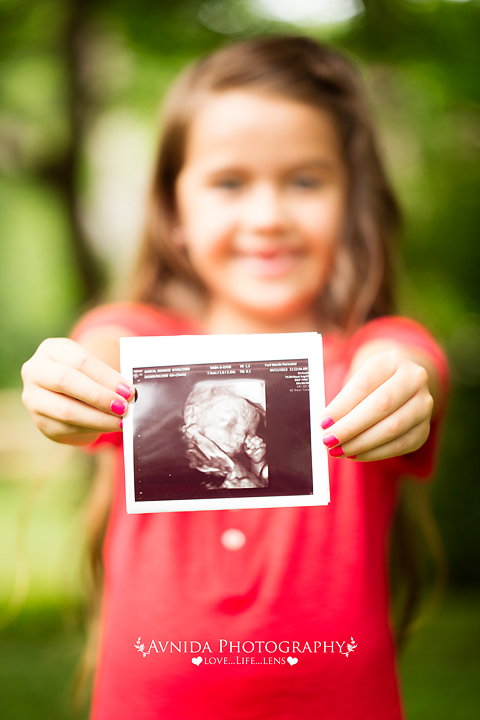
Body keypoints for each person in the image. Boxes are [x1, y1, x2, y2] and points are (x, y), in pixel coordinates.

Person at [21, 35, 449, 720]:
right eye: (229, 182)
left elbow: (408, 364)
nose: (268, 217)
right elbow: (103, 346)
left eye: (305, 181)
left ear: (352, 204)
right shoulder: (138, 341)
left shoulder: (373, 354)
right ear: (174, 212)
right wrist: (67, 379)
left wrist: (403, 380)